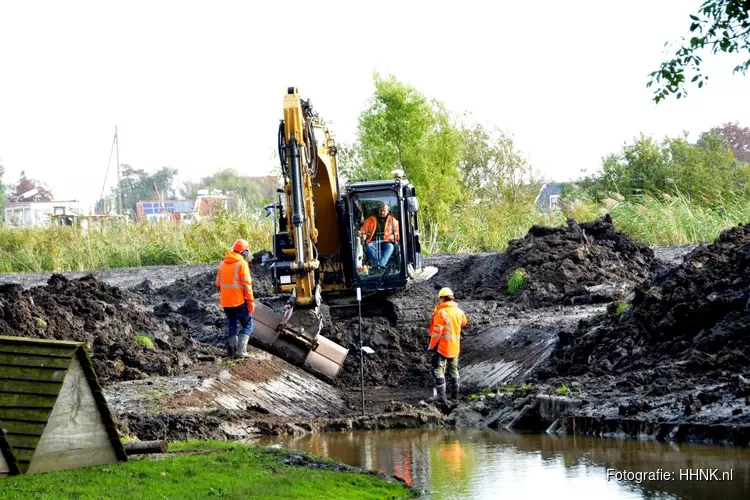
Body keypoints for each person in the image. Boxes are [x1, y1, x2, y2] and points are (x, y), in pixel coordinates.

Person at [215, 238, 255, 357]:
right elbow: (247, 285)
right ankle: (241, 351)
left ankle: (232, 351)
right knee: (248, 324)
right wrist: (250, 301)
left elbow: (218, 283)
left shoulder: (222, 264)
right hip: (238, 301)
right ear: (244, 252)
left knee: (232, 324)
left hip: (226, 302)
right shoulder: (242, 264)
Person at [427, 287, 468, 403]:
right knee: (454, 370)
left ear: (442, 298)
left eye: (439, 299)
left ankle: (441, 397)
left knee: (438, 370)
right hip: (455, 347)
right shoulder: (459, 312)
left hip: (442, 347)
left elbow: (436, 332)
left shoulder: (440, 313)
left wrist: (431, 346)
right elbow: (464, 322)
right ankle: (455, 397)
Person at [360, 202, 400, 268]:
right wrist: (363, 237)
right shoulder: (370, 219)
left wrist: (394, 236)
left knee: (390, 247)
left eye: (384, 211)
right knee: (369, 246)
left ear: (387, 211)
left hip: (386, 242)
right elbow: (364, 231)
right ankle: (380, 265)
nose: (382, 212)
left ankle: (378, 265)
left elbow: (397, 232)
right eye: (381, 210)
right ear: (378, 210)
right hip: (373, 242)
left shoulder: (393, 220)